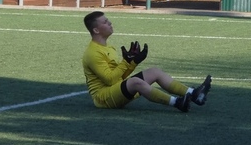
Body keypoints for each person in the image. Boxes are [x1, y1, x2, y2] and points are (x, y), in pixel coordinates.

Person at [82, 11, 211, 113]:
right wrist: (126, 62)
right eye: (105, 22)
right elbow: (110, 80)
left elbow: (119, 78)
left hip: (114, 91)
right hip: (103, 98)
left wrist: (133, 63)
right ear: (96, 30)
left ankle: (193, 93)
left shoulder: (108, 47)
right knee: (136, 82)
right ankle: (177, 102)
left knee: (154, 71)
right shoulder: (92, 53)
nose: (110, 23)